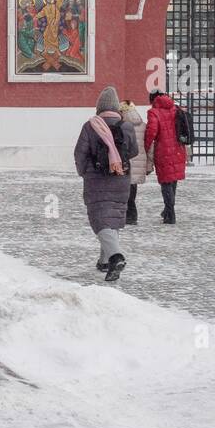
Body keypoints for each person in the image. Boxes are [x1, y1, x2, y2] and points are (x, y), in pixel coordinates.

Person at [74, 85, 133, 282]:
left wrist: (84, 171)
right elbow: (133, 151)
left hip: (97, 179)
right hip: (121, 177)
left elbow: (80, 153)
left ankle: (116, 257)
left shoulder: (91, 125)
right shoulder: (126, 126)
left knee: (100, 220)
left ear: (99, 106)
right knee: (112, 218)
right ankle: (104, 261)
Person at [144, 90, 188, 224]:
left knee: (165, 182)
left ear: (152, 99)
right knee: (172, 180)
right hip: (179, 149)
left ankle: (170, 214)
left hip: (163, 150)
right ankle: (168, 210)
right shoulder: (175, 108)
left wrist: (145, 146)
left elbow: (152, 131)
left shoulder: (154, 112)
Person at [119, 99, 149, 224]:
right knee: (133, 187)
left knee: (124, 189)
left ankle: (129, 215)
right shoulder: (143, 125)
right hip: (139, 161)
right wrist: (149, 163)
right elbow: (148, 145)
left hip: (127, 159)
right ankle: (132, 215)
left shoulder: (122, 126)